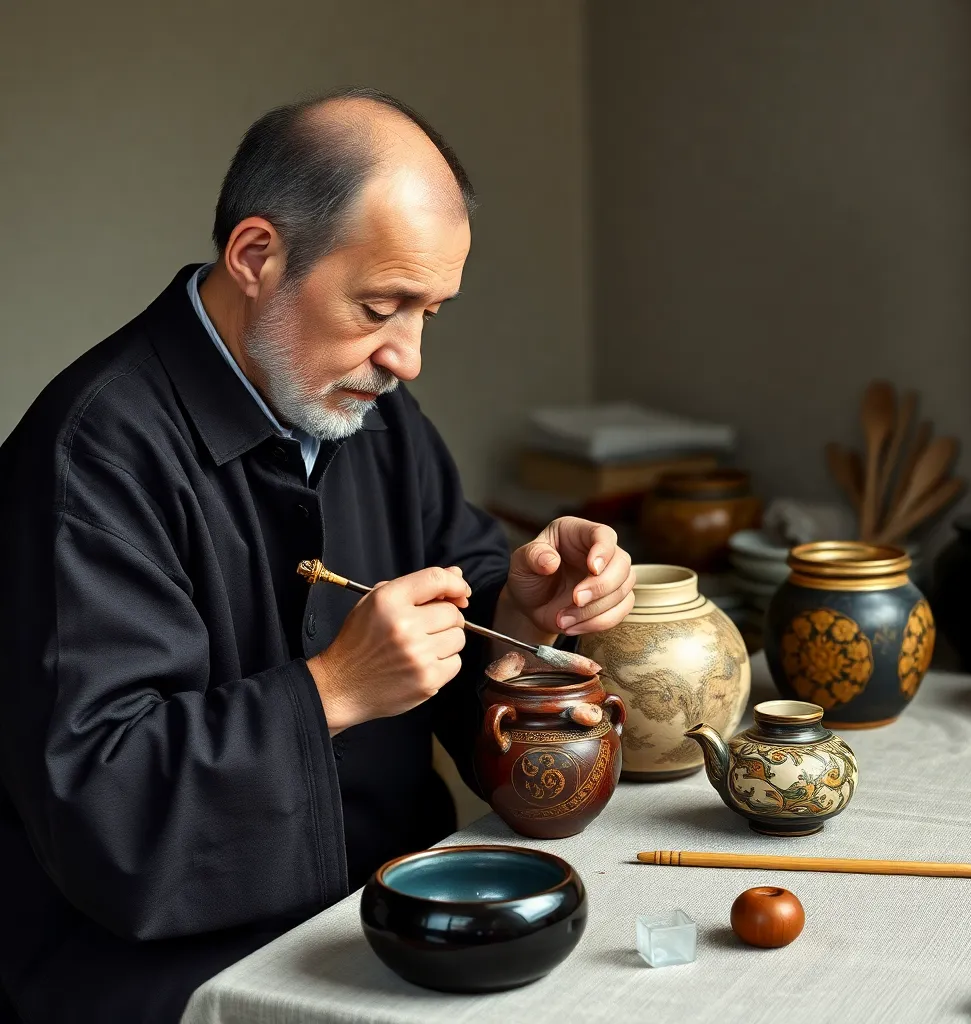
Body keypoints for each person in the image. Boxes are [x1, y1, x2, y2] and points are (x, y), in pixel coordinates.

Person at [0, 87, 636, 1023]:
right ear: (256, 255)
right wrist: (334, 690)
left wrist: (520, 616)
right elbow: (101, 798)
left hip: (388, 902)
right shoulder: (90, 456)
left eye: (431, 312)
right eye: (384, 305)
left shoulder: (362, 404)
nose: (408, 357)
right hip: (158, 966)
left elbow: (465, 575)